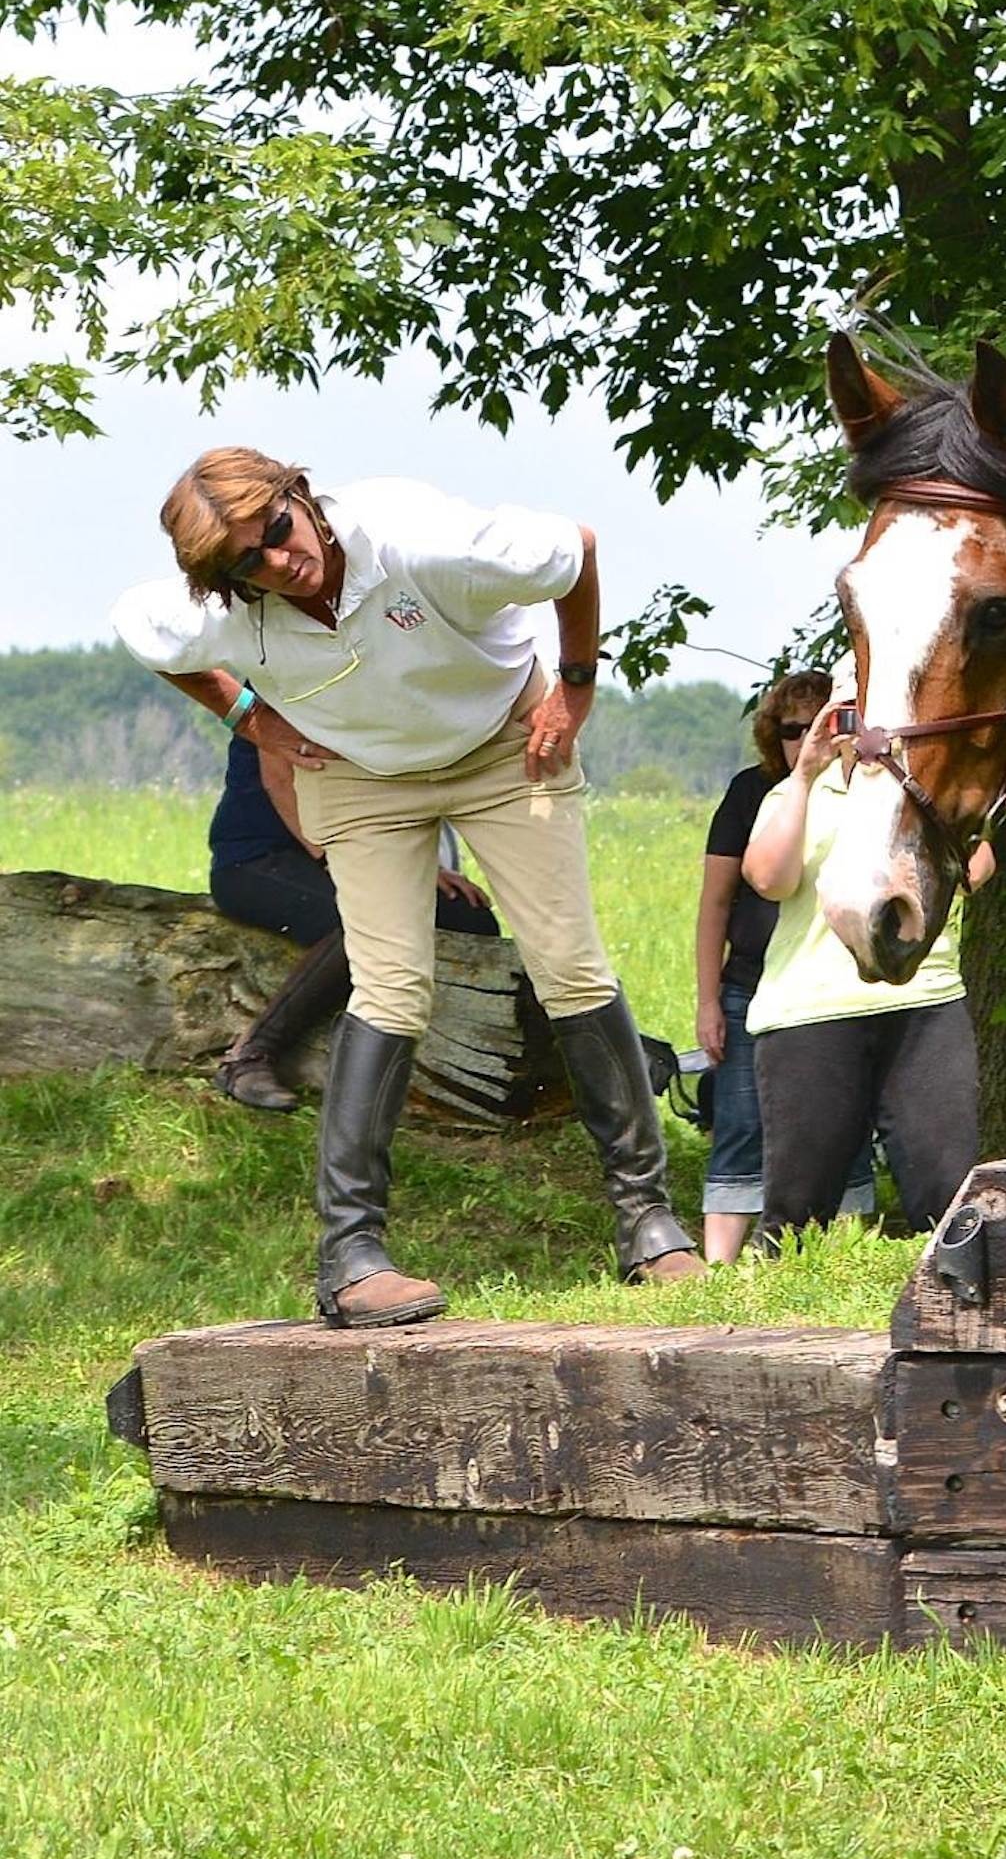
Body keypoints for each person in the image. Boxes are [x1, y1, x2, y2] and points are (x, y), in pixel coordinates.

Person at [113, 449, 701, 1327]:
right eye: (247, 562)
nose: (276, 561)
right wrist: (249, 716)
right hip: (360, 777)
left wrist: (573, 690)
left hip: (507, 748)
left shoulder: (425, 540)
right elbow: (141, 631)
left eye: (276, 531)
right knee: (391, 983)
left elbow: (574, 550)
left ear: (298, 496)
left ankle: (649, 1222)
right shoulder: (215, 605)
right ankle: (351, 1254)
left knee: (569, 967)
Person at [740, 694, 980, 1245]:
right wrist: (804, 774)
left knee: (949, 1196)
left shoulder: (922, 789)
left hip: (924, 1000)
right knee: (797, 1211)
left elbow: (978, 866)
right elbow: (768, 879)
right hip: (811, 1009)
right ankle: (777, 1320)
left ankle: (959, 1307)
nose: (858, 729)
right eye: (845, 715)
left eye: (868, 713)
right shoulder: (793, 794)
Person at [207, 726, 500, 1112]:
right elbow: (279, 779)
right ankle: (249, 1055)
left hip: (356, 856)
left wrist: (421, 866)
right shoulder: (285, 670)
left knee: (470, 918)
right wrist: (341, 864)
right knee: (370, 916)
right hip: (258, 860)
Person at [694, 667, 875, 1263]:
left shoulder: (871, 789)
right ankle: (719, 1268)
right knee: (741, 1123)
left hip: (839, 984)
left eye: (821, 726)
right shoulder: (752, 793)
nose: (805, 740)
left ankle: (843, 1259)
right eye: (792, 729)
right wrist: (707, 1000)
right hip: (753, 983)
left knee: (844, 1127)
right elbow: (716, 902)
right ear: (776, 735)